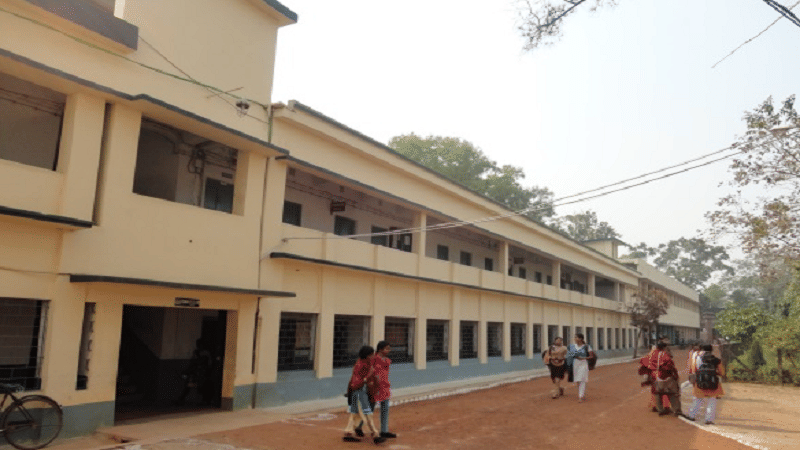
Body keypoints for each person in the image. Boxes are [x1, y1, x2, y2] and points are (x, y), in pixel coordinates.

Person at [355, 341, 396, 439]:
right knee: (370, 408)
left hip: (384, 387)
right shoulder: (373, 359)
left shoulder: (386, 360)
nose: (388, 351)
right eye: (386, 348)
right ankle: (359, 426)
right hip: (374, 387)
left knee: (385, 408)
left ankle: (384, 431)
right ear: (380, 349)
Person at [343, 346, 384, 444]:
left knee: (354, 415)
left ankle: (348, 433)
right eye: (371, 354)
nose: (373, 356)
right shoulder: (360, 365)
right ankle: (375, 435)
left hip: (359, 392)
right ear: (367, 355)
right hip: (358, 393)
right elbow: (355, 383)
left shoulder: (366, 363)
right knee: (367, 414)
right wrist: (367, 378)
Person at [687, 344, 725, 425]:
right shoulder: (716, 360)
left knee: (698, 400)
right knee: (712, 401)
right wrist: (715, 372)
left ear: (702, 350)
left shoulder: (698, 359)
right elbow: (722, 373)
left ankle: (691, 416)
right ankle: (709, 420)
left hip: (700, 382)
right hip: (713, 382)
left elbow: (694, 370)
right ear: (712, 350)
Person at [176, 339, 212, 406]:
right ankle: (181, 399)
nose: (198, 346)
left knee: (202, 387)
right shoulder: (196, 352)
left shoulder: (206, 353)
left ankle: (205, 401)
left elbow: (204, 362)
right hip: (195, 372)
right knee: (188, 386)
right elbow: (193, 362)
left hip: (202, 373)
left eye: (200, 344)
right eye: (198, 344)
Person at [653, 342, 682, 417]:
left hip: (658, 376)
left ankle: (660, 409)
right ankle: (676, 410)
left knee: (658, 394)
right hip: (667, 377)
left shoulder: (656, 354)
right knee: (673, 393)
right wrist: (674, 374)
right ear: (664, 347)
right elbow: (669, 366)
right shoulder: (665, 355)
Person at [566, 333, 592, 403]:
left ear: (580, 339)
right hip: (575, 364)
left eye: (576, 337)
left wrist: (583, 358)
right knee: (577, 380)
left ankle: (580, 396)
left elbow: (591, 356)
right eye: (574, 338)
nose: (575, 339)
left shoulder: (587, 347)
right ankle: (581, 394)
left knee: (582, 379)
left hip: (583, 364)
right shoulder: (572, 347)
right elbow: (570, 355)